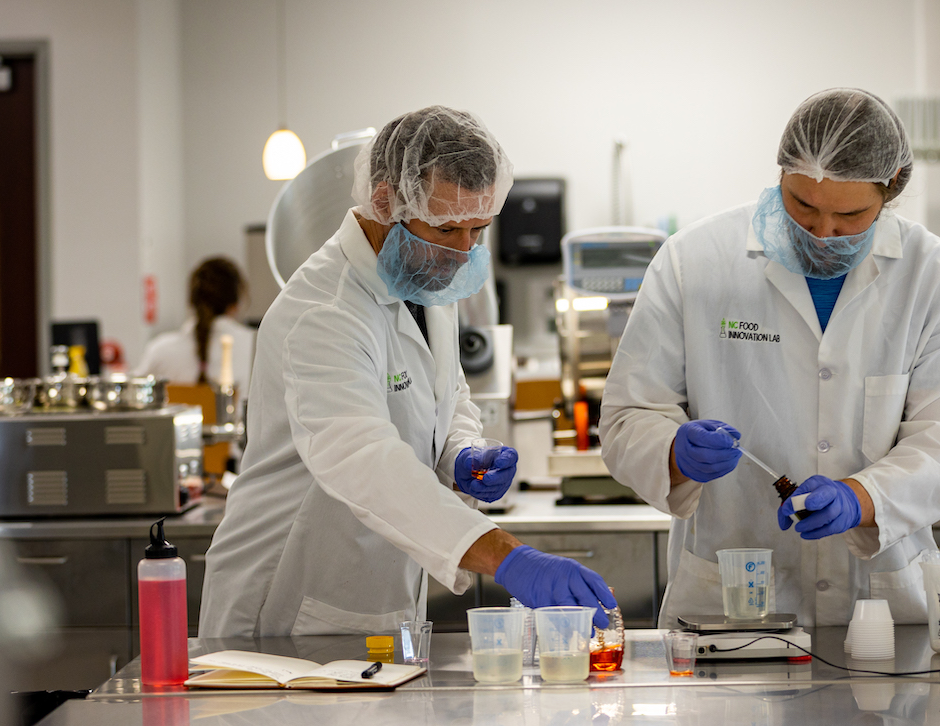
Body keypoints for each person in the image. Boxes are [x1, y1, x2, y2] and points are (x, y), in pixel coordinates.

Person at [200, 106, 615, 637]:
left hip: (376, 594)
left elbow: (450, 393)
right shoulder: (323, 312)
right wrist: (507, 557)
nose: (465, 252)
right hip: (286, 602)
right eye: (447, 228)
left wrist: (462, 450)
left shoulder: (426, 278)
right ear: (384, 201)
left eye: (479, 229)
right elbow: (364, 459)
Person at [600, 89, 940, 628]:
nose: (822, 231)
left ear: (892, 189)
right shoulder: (695, 260)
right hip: (729, 604)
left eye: (851, 214)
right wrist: (673, 452)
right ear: (781, 173)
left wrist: (862, 497)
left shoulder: (933, 275)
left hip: (880, 605)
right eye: (802, 205)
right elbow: (628, 416)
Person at [133, 256, 256, 406]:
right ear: (236, 303)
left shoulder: (159, 350)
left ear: (192, 301)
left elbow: (134, 397)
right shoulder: (255, 346)